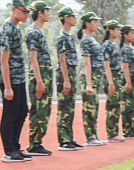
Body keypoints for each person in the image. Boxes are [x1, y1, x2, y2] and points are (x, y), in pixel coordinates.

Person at [0, 0, 30, 162]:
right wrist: (7, 87)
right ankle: (9, 150)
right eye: (24, 11)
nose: (27, 15)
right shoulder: (6, 29)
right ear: (14, 9)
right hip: (10, 79)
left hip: (19, 77)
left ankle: (15, 146)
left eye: (28, 12)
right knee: (10, 114)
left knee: (22, 111)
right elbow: (4, 60)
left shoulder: (17, 28)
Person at [24, 0, 52, 157]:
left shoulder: (39, 32)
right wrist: (39, 81)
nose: (49, 14)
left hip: (45, 71)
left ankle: (38, 143)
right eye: (46, 11)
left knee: (45, 110)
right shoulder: (33, 32)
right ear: (39, 13)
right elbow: (32, 58)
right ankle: (34, 144)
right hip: (39, 72)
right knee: (38, 110)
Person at [53, 6, 80, 150]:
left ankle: (69, 137)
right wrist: (66, 80)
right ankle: (63, 140)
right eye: (72, 16)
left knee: (70, 107)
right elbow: (61, 59)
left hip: (70, 71)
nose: (75, 19)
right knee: (64, 107)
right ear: (65, 18)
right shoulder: (62, 37)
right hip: (65, 73)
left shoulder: (69, 36)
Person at [77, 11, 106, 146]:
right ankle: (90, 137)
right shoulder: (85, 40)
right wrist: (89, 84)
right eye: (94, 21)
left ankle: (94, 135)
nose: (97, 24)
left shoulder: (92, 39)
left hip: (95, 76)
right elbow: (87, 62)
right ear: (87, 23)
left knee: (94, 106)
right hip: (89, 76)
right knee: (89, 107)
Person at [101, 20, 123, 142]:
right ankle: (111, 133)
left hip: (116, 76)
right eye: (117, 29)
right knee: (112, 105)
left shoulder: (113, 45)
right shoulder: (106, 45)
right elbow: (106, 65)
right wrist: (110, 82)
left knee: (116, 105)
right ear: (111, 30)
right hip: (111, 77)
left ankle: (114, 132)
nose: (119, 32)